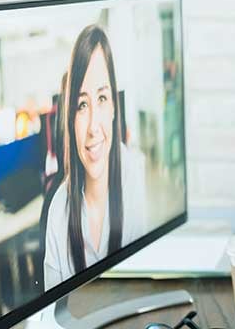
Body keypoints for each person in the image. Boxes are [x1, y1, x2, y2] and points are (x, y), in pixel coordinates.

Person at [44, 24, 148, 290]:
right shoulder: (58, 212)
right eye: (81, 105)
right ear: (70, 119)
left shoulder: (133, 172)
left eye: (101, 98)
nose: (93, 127)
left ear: (113, 105)